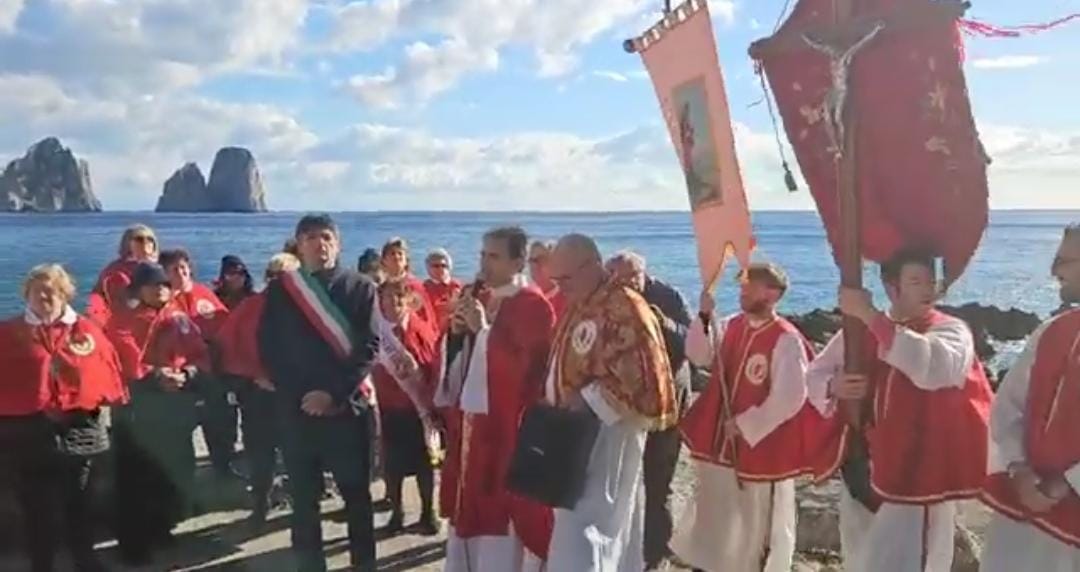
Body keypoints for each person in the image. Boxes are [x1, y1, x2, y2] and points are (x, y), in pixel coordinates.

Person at [806, 247, 993, 572]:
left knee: (912, 561)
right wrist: (835, 387)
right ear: (892, 287)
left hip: (918, 472)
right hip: (862, 464)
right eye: (916, 281)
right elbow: (815, 374)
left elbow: (933, 368)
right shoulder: (858, 331)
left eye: (930, 281)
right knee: (861, 555)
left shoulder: (951, 330)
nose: (928, 289)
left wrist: (869, 316)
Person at [670, 263, 819, 572]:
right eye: (742, 286)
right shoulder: (732, 325)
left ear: (773, 293)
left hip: (760, 450)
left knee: (754, 527)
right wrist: (704, 317)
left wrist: (745, 423)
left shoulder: (785, 339)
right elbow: (699, 355)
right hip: (719, 444)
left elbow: (790, 397)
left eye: (750, 286)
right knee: (715, 518)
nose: (743, 290)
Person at [544, 234, 678, 571]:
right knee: (572, 528)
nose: (560, 288)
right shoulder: (583, 301)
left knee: (594, 530)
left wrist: (586, 399)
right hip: (573, 437)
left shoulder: (626, 307)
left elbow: (643, 379)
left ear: (591, 266)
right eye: (555, 281)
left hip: (608, 438)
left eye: (566, 279)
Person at [258, 214, 379, 572]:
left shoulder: (361, 287)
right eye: (309, 237)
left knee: (357, 498)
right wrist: (300, 395)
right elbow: (269, 347)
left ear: (337, 244)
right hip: (298, 412)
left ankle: (365, 565)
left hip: (345, 411)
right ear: (298, 245)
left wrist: (333, 395)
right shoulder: (282, 290)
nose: (319, 244)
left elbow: (369, 348)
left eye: (326, 237)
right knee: (305, 502)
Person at [439, 226, 557, 571]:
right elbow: (457, 366)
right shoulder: (480, 296)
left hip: (508, 430)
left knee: (500, 515)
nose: (484, 263)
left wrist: (484, 332)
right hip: (471, 428)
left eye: (494, 256)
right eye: (482, 255)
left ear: (518, 261)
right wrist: (457, 336)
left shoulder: (533, 305)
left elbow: (529, 370)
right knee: (468, 505)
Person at [0, 264, 126, 572]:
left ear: (65, 294)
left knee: (80, 501)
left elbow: (107, 370)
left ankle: (85, 558)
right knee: (35, 506)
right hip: (28, 431)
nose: (44, 296)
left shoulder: (86, 330)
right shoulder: (8, 333)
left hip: (79, 428)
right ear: (26, 294)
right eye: (37, 290)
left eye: (52, 290)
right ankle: (41, 563)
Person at [980, 224, 1080, 571]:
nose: (1054, 271)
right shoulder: (1053, 330)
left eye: (1064, 261)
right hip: (1022, 510)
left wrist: (1063, 485)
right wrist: (1018, 467)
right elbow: (1008, 407)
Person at [106, 262, 209, 565]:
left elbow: (200, 354)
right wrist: (157, 375)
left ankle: (161, 527)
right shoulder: (122, 321)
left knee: (171, 471)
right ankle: (132, 544)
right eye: (153, 285)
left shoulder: (180, 318)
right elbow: (125, 360)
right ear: (138, 289)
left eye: (165, 284)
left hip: (174, 407)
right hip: (137, 409)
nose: (161, 289)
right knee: (135, 478)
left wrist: (188, 375)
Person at [605, 250, 693, 570]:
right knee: (623, 479)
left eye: (630, 278)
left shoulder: (667, 296)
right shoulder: (608, 297)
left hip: (667, 404)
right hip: (626, 404)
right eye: (615, 277)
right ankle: (625, 551)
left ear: (643, 274)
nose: (623, 284)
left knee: (658, 481)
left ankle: (654, 557)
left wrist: (661, 321)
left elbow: (692, 342)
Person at [214, 252, 301, 526]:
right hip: (258, 395)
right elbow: (225, 346)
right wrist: (252, 377)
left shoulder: (307, 310)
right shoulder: (251, 306)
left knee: (297, 454)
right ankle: (261, 505)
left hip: (295, 395)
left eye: (287, 277)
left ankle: (300, 506)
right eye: (275, 277)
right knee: (260, 453)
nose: (280, 283)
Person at [159, 248, 237, 481]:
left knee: (220, 424)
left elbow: (227, 328)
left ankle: (224, 469)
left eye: (184, 267)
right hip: (181, 374)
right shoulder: (161, 300)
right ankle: (184, 478)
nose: (181, 273)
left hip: (211, 371)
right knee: (181, 430)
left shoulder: (204, 294)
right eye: (174, 269)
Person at [372, 279, 441, 535]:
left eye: (399, 298)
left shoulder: (420, 327)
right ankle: (397, 513)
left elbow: (434, 362)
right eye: (388, 298)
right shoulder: (376, 332)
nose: (393, 303)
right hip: (390, 407)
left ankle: (428, 511)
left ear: (408, 300)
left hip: (419, 408)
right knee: (393, 466)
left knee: (426, 463)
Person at [86, 223, 159, 325]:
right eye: (139, 239)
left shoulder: (162, 266)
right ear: (127, 244)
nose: (145, 243)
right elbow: (97, 297)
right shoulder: (115, 270)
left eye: (150, 239)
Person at [381, 237, 437, 328]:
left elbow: (428, 319)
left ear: (406, 261)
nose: (396, 256)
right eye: (392, 253)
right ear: (384, 260)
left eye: (400, 253)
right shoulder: (381, 288)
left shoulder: (415, 286)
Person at [423, 248, 463, 336]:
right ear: (428, 268)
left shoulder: (457, 286)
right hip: (433, 332)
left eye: (444, 266)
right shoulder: (424, 288)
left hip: (456, 332)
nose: (440, 269)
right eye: (436, 266)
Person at [528, 240, 565, 318]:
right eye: (532, 260)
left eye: (541, 259)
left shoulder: (563, 298)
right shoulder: (526, 296)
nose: (535, 265)